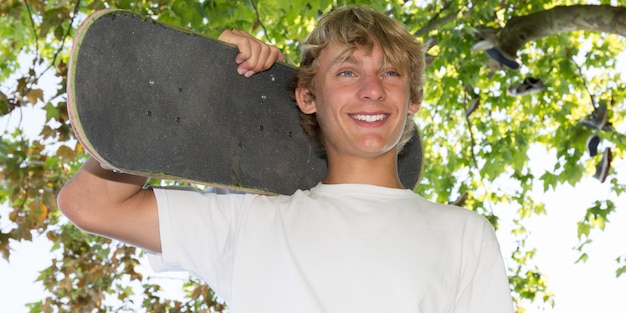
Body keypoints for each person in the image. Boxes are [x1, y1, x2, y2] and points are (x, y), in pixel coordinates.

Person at [58, 5, 514, 313]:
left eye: (391, 73)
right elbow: (91, 205)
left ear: (412, 100)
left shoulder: (464, 234)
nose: (372, 88)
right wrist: (199, 90)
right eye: (348, 71)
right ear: (307, 96)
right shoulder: (252, 222)